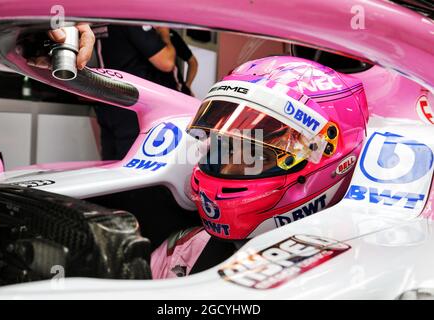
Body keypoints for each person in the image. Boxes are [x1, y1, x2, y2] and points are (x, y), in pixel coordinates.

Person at [151, 55, 369, 279]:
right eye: (225, 147)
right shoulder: (183, 251)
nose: (228, 166)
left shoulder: (350, 278)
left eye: (257, 155)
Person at [94, 25, 177, 160]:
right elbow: (167, 62)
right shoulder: (130, 20)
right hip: (131, 105)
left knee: (111, 166)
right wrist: (164, 34)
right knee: (132, 168)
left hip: (106, 99)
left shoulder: (99, 17)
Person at [169, 29, 198, 96]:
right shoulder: (144, 33)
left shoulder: (171, 35)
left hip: (176, 90)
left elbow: (193, 62)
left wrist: (187, 86)